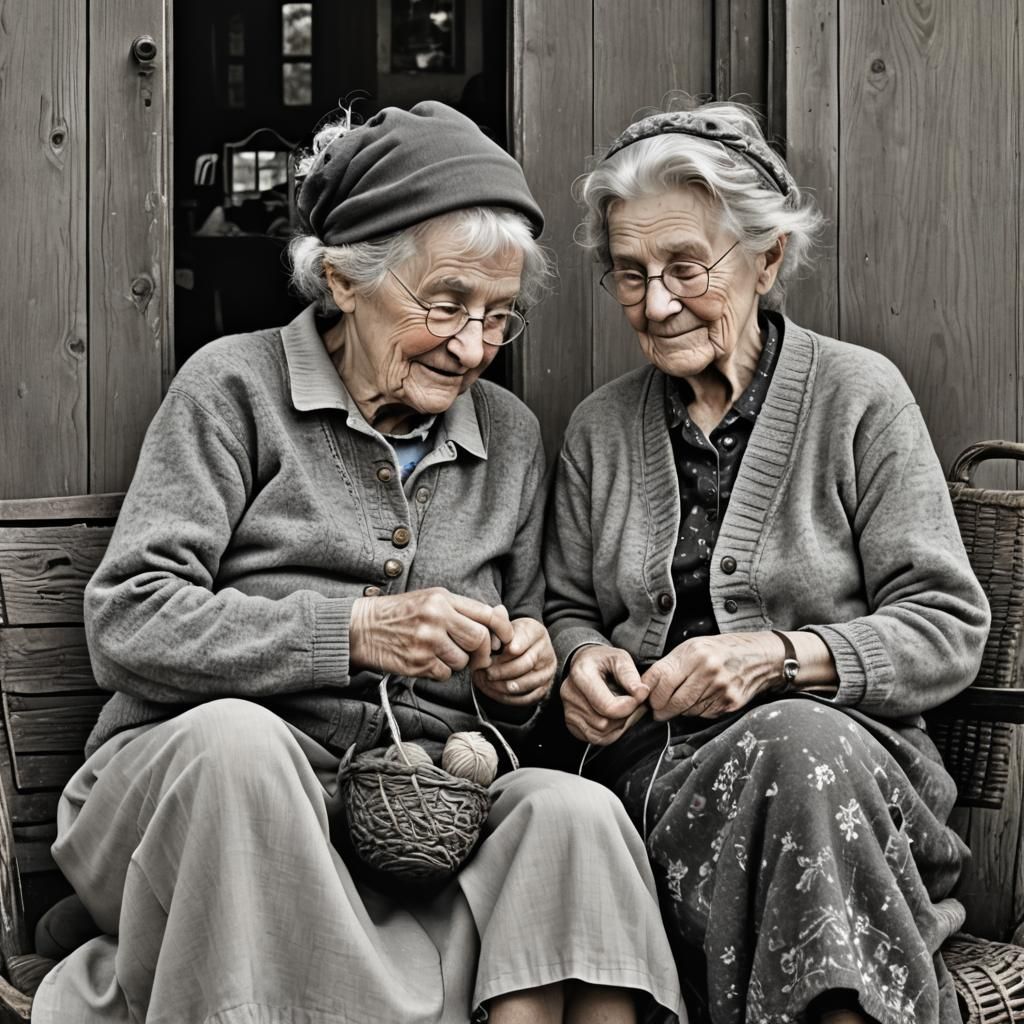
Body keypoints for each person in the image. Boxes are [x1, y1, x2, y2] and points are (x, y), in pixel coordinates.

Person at [32, 102, 685, 1024]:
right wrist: (354, 633)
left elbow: (524, 671)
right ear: (342, 279)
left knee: (574, 818)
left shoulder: (509, 435)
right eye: (446, 303)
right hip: (200, 797)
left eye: (500, 318)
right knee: (241, 749)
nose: (472, 348)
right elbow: (130, 621)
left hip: (414, 818)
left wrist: (521, 673)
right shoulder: (233, 388)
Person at [543, 98, 990, 1024]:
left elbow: (947, 627)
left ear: (768, 258)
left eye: (684, 267)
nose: (656, 303)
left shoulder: (860, 398)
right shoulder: (599, 429)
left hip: (849, 795)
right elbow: (565, 611)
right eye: (629, 275)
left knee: (796, 742)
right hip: (652, 798)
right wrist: (582, 664)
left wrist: (780, 661)